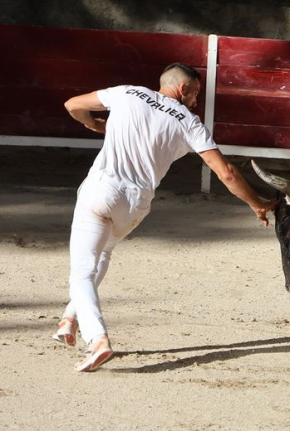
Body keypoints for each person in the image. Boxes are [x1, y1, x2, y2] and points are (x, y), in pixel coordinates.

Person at [53, 63, 275, 372]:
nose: (196, 101)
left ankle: (97, 338)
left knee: (81, 271)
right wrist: (257, 204)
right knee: (103, 252)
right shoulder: (189, 121)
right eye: (196, 93)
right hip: (136, 204)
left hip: (101, 190)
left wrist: (93, 125)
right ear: (183, 89)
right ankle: (69, 319)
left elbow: (73, 105)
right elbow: (226, 172)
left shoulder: (126, 93)